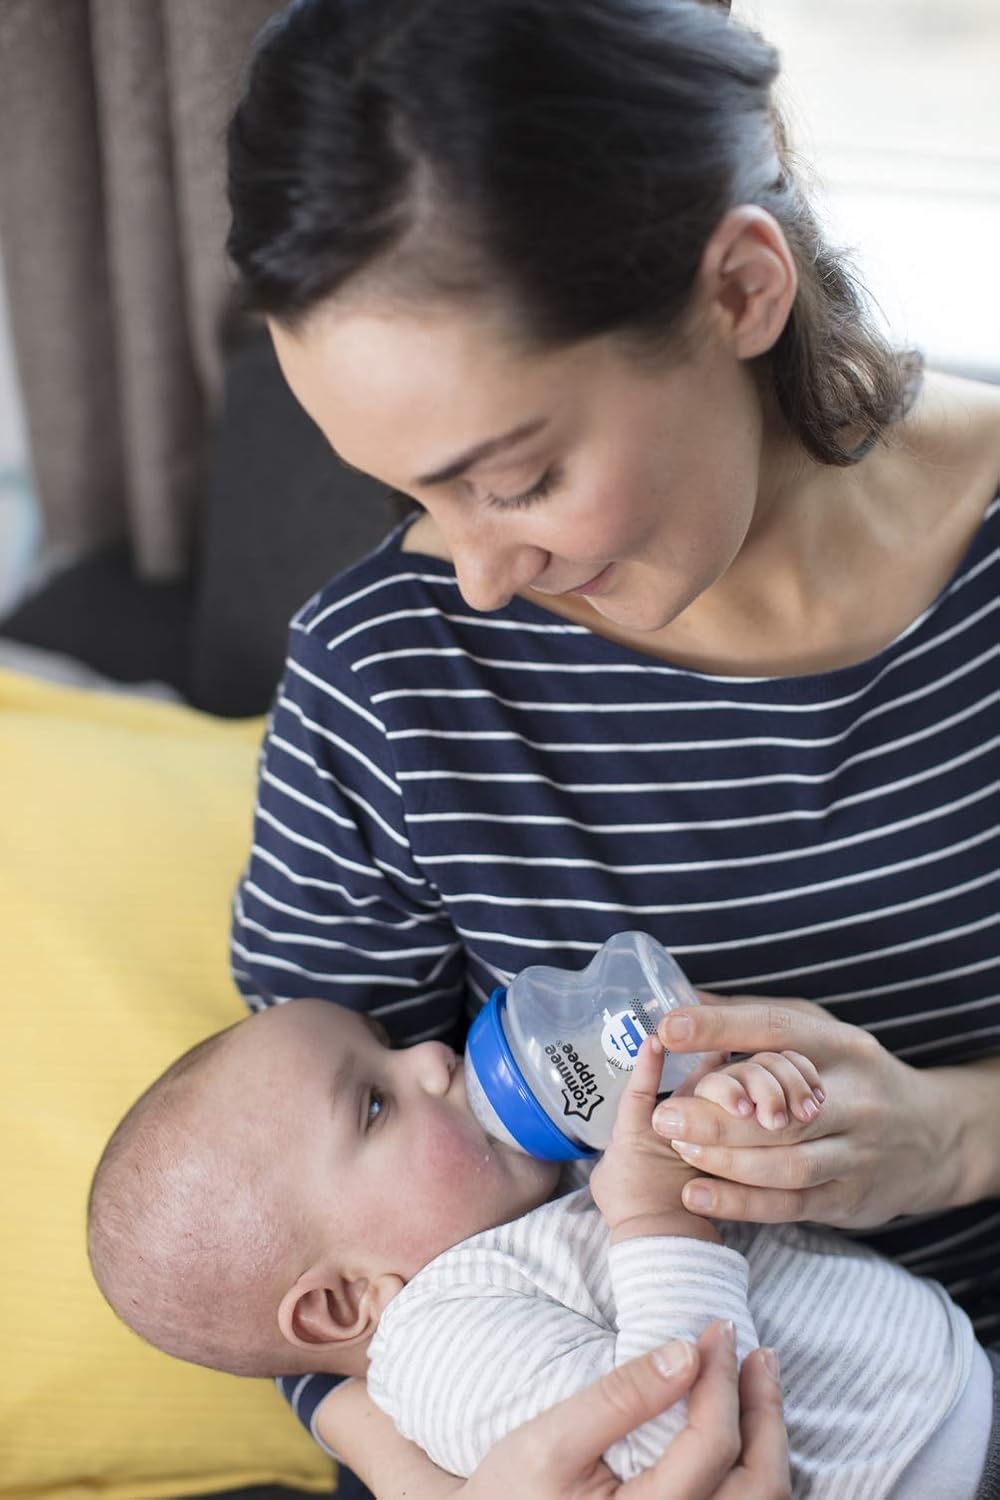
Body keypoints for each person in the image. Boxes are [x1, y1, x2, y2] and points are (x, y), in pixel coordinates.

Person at [222, 0, 1000, 1492]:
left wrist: (951, 1139)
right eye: (410, 496)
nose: (472, 576)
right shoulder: (389, 676)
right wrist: (436, 1478)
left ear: (739, 289)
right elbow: (297, 1224)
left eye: (514, 479)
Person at [88, 999, 992, 1497]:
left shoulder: (505, 1205)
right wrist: (660, 1219)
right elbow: (667, 1454)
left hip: (952, 1398)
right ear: (346, 1302)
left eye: (389, 1044)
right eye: (374, 1103)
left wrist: (735, 1112)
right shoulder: (444, 1348)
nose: (432, 1058)